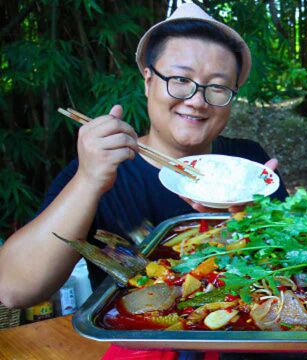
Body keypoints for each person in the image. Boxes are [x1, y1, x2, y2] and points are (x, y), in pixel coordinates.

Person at [0, 3, 288, 308]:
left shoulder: (250, 164)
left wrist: (256, 221)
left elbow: (299, 267)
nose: (197, 100)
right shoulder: (101, 167)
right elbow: (13, 289)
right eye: (180, 79)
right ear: (149, 81)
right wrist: (88, 180)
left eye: (217, 87)